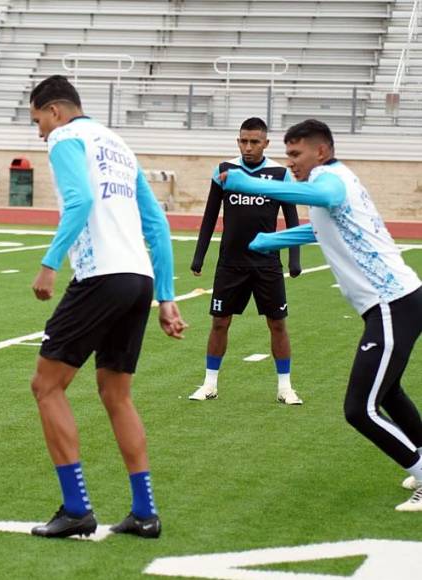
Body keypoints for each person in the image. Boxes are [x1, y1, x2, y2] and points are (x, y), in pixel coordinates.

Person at [221, 118, 422, 512]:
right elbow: (320, 230)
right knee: (390, 393)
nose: (290, 161)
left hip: (391, 303)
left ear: (322, 152)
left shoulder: (331, 181)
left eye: (296, 154)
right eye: (288, 153)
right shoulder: (334, 183)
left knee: (359, 409)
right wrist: (271, 240)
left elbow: (322, 198)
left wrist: (248, 183)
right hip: (398, 302)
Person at [25, 76, 186, 539]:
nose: (39, 133)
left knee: (47, 385)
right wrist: (166, 297)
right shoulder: (118, 144)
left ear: (54, 111)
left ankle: (76, 508)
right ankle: (144, 512)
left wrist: (49, 263)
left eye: (37, 121)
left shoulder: (65, 137)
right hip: (138, 278)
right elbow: (156, 223)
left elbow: (79, 200)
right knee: (117, 394)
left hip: (101, 276)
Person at [189, 117, 303, 405]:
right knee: (219, 322)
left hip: (266, 265)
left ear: (266, 143)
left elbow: (291, 218)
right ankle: (209, 383)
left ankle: (285, 388)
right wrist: (199, 255)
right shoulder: (225, 170)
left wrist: (294, 258)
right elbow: (209, 216)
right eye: (243, 141)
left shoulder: (279, 173)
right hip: (231, 264)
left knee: (277, 324)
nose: (248, 147)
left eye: (254, 141)